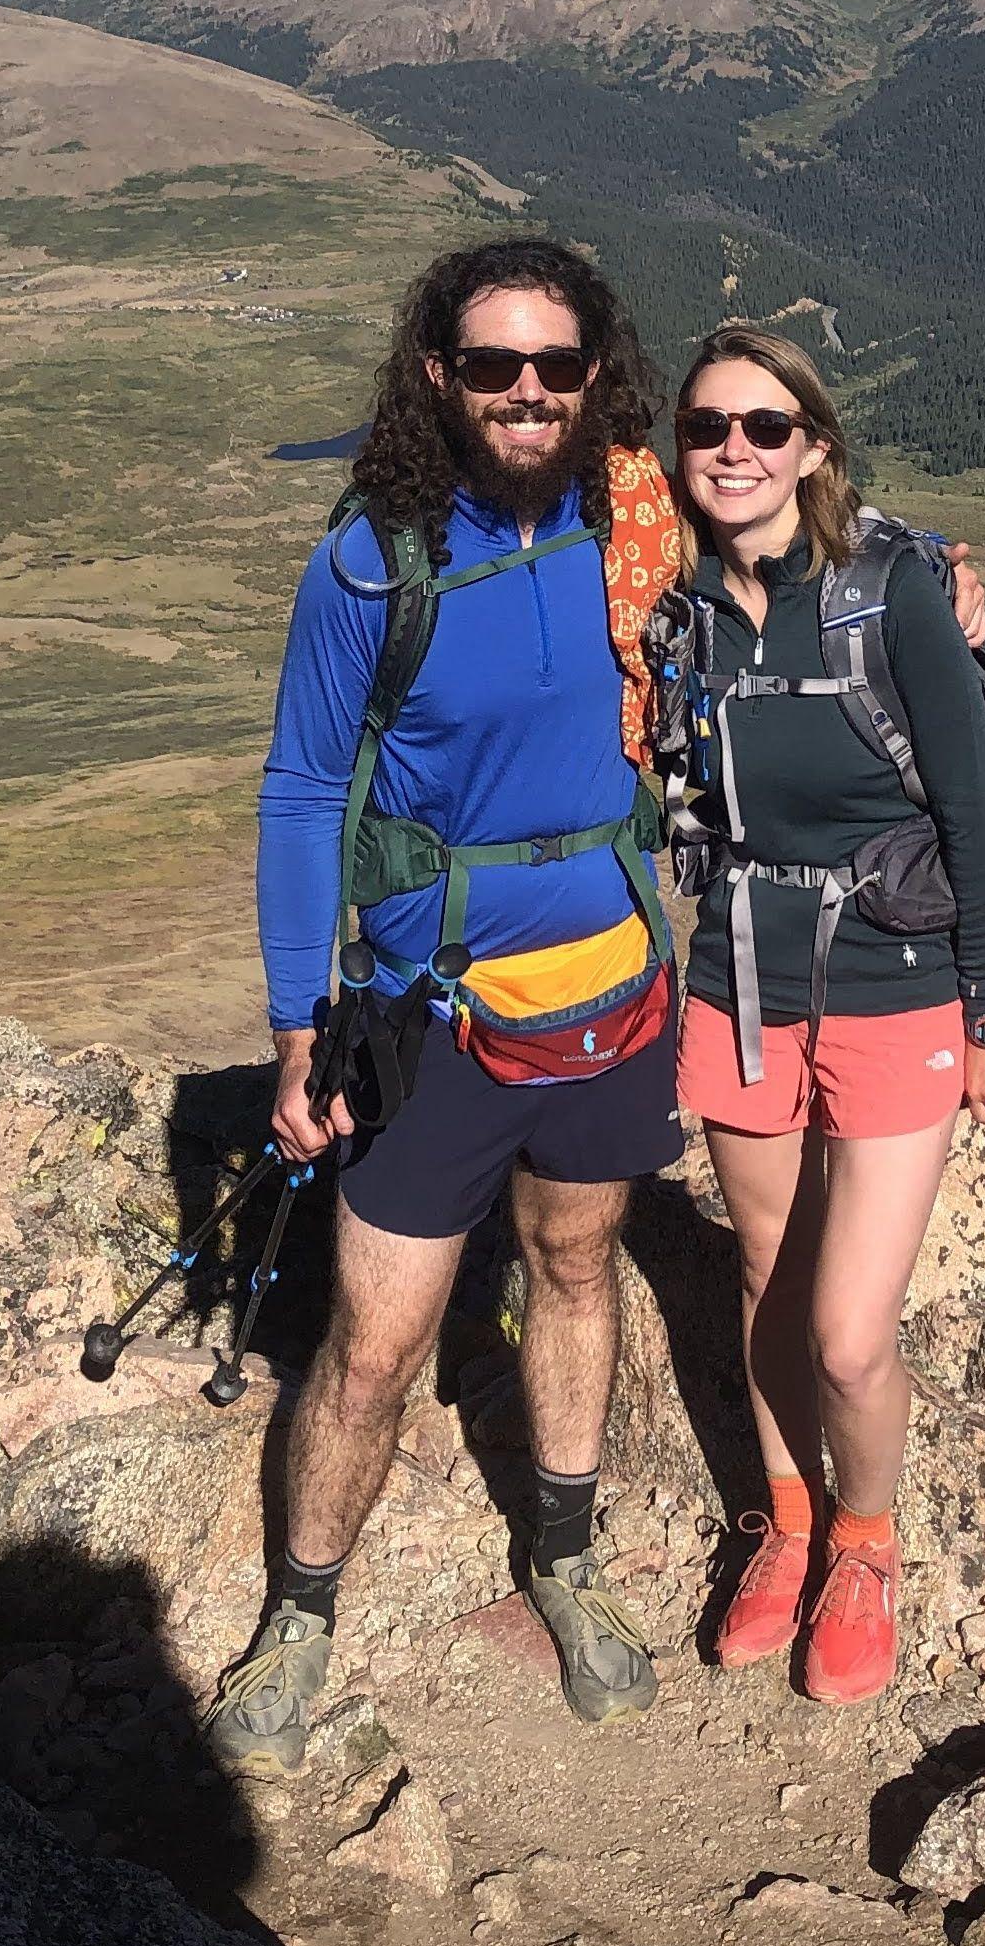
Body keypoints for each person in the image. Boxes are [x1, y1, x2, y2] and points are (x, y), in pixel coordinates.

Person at [206, 236, 694, 1777]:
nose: (530, 395)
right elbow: (300, 787)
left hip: (614, 989)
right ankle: (302, 1613)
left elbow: (800, 541)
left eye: (559, 366)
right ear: (441, 378)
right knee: (373, 1339)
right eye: (495, 368)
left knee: (574, 1262)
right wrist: (301, 1024)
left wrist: (934, 585)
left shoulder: (645, 513)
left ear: (597, 370)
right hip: (435, 1011)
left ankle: (562, 1555)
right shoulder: (378, 556)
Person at [668, 324, 985, 1707]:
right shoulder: (679, 607)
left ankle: (866, 1544)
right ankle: (789, 1518)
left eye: (766, 427)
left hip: (896, 985)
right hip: (740, 983)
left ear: (813, 444)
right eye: (709, 430)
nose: (736, 452)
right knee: (763, 1275)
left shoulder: (889, 596)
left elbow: (975, 821)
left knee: (846, 1334)